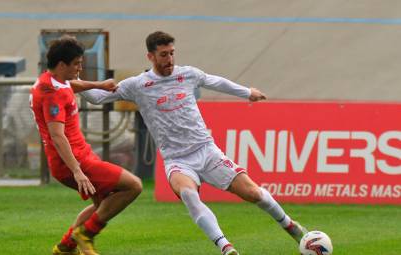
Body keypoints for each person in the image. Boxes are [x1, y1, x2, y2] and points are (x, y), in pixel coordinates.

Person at [75, 31, 308, 255]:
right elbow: (97, 98)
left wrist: (247, 92)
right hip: (177, 160)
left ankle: (291, 226)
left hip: (207, 151)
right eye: (164, 54)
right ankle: (226, 247)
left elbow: (215, 81)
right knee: (189, 194)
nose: (170, 59)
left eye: (172, 53)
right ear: (151, 57)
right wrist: (75, 80)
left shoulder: (187, 74)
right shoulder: (138, 85)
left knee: (253, 193)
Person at [29, 35, 142, 255]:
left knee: (102, 206)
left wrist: (99, 85)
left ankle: (65, 247)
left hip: (80, 156)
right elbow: (57, 136)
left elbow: (71, 85)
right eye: (77, 64)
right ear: (62, 64)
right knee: (133, 186)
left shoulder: (51, 80)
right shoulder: (51, 94)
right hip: (74, 161)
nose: (80, 67)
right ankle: (85, 235)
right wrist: (77, 171)